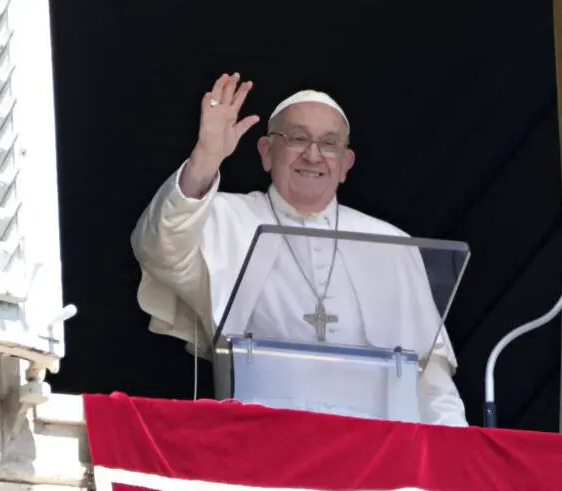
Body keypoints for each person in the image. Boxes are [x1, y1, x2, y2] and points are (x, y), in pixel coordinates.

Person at [130, 72, 468, 426]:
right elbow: (158, 249)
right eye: (297, 138)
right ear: (266, 152)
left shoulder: (394, 245)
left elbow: (431, 383)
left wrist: (458, 463)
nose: (313, 155)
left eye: (329, 143)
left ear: (345, 165)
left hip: (381, 452)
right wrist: (204, 159)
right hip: (262, 440)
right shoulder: (222, 217)